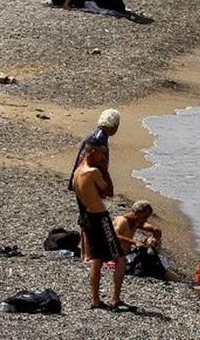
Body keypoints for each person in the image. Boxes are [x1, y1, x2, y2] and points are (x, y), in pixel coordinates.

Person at [73, 137, 130, 311]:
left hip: (88, 217)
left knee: (96, 260)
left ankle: (95, 299)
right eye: (101, 154)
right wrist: (105, 170)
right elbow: (110, 192)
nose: (103, 158)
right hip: (99, 218)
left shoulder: (77, 172)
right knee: (120, 259)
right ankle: (115, 299)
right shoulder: (93, 172)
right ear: (91, 152)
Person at [69, 109, 121, 262]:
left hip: (84, 179)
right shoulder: (99, 138)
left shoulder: (97, 134)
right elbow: (93, 161)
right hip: (88, 181)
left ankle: (87, 253)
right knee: (89, 219)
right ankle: (89, 254)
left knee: (86, 218)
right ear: (112, 126)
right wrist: (99, 182)